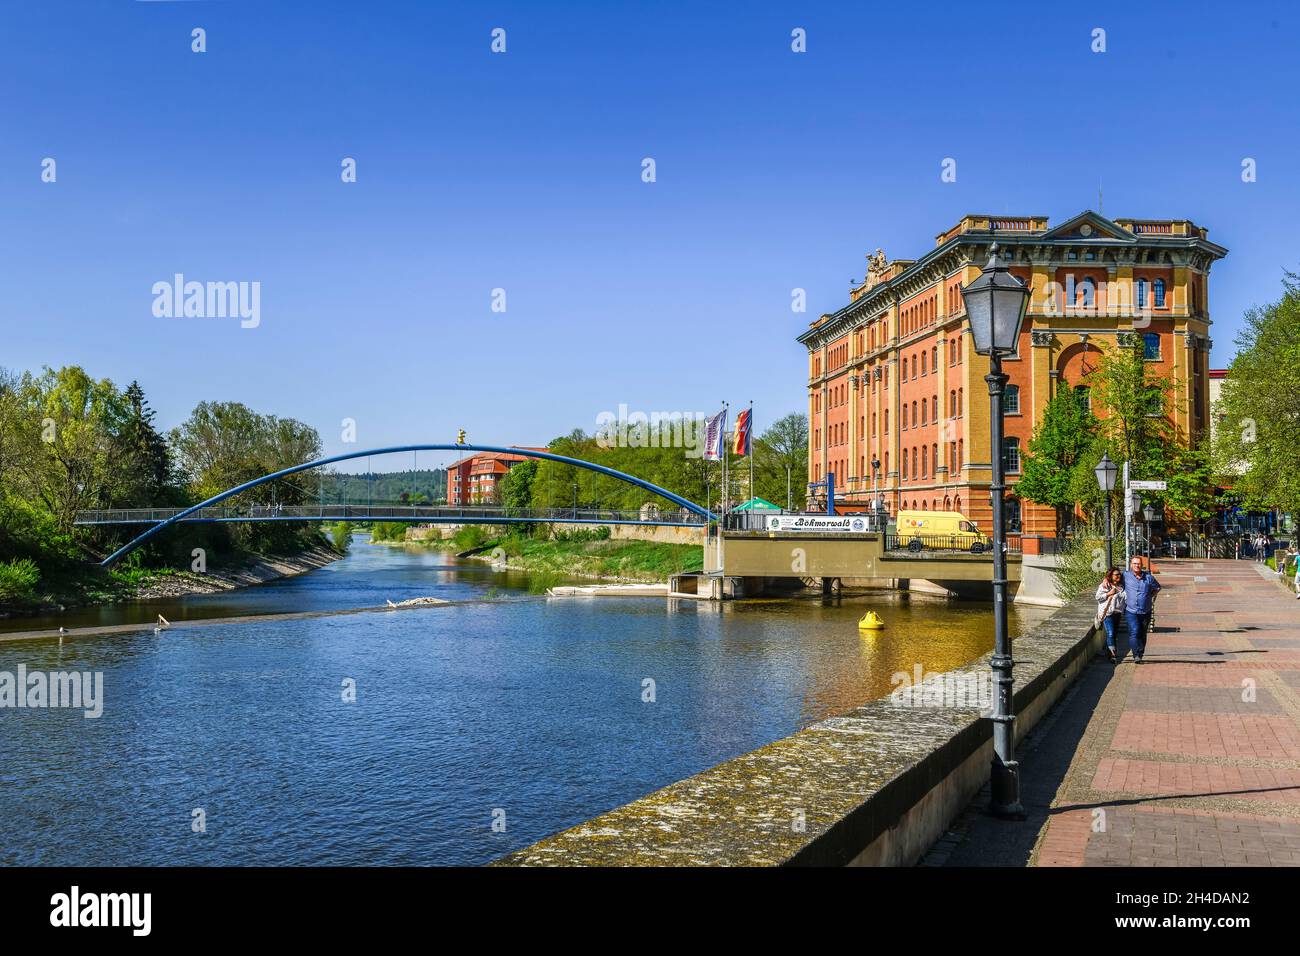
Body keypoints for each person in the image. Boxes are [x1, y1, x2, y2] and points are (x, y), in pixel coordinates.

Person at [1122, 555, 1162, 663]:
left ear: (1142, 565)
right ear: (1131, 565)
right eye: (1134, 563)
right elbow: (1113, 578)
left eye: (1138, 564)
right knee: (1134, 631)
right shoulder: (1125, 576)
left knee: (1143, 633)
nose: (1136, 565)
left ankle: (1140, 652)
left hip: (1145, 611)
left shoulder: (1148, 577)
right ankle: (1136, 655)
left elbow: (1158, 587)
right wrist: (1105, 581)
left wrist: (1150, 596)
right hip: (1131, 611)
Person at [1094, 567, 1127, 663]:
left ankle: (1109, 652)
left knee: (1114, 634)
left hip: (1117, 613)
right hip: (1107, 614)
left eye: (1119, 574)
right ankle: (1113, 655)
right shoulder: (1105, 586)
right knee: (1111, 633)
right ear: (1111, 576)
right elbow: (1098, 597)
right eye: (1116, 575)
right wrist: (1109, 593)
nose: (1118, 576)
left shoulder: (1122, 586)